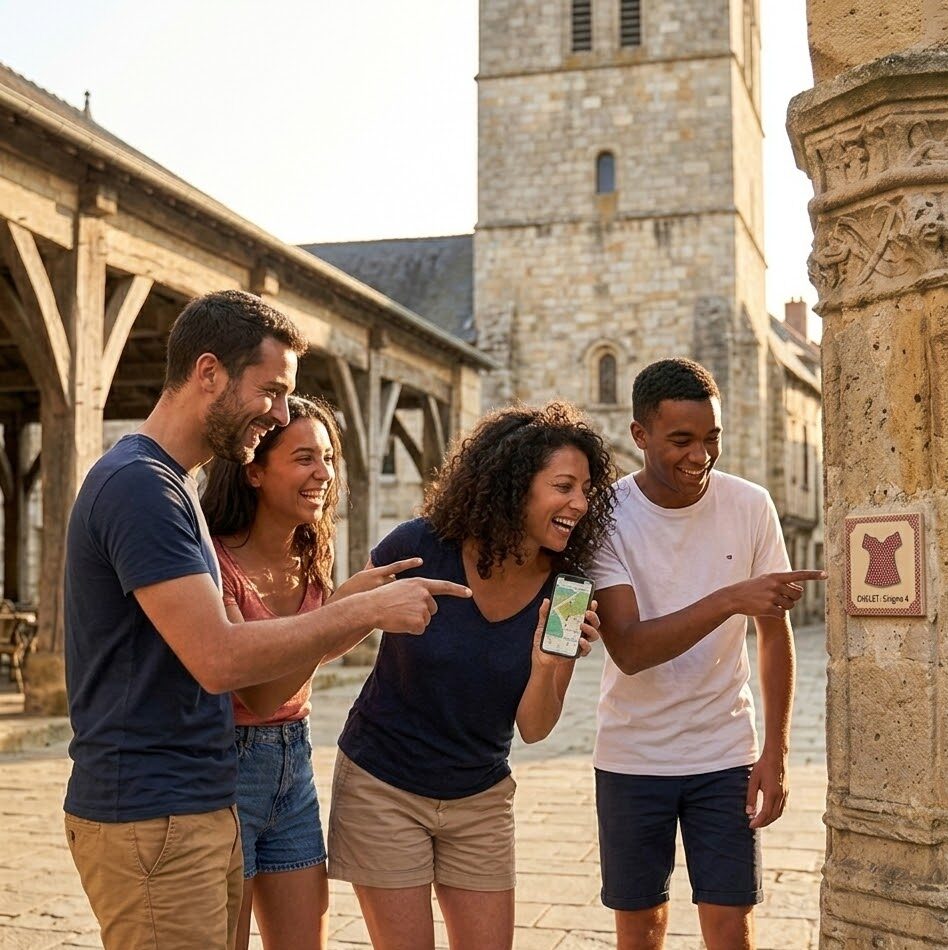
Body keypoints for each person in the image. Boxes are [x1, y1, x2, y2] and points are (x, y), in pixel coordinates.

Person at [63, 289, 470, 950]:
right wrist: (361, 612)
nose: (280, 413)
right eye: (273, 391)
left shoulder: (168, 484)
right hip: (152, 813)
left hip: (192, 807)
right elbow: (221, 659)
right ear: (209, 373)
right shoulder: (141, 485)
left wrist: (346, 608)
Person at [327, 401, 617, 950]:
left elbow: (534, 728)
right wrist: (372, 607)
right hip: (383, 787)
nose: (579, 503)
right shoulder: (419, 546)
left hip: (480, 799)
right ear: (514, 485)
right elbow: (328, 633)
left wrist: (549, 664)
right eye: (563, 486)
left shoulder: (568, 591)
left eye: (586, 490)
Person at [589, 358, 826, 950]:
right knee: (640, 931)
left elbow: (775, 637)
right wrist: (729, 598)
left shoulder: (750, 506)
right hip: (631, 756)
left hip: (725, 755)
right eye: (682, 440)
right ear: (640, 435)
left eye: (711, 438)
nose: (700, 455)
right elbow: (631, 648)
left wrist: (775, 752)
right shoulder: (607, 516)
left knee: (731, 929)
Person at [203, 394, 403, 950]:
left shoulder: (310, 552)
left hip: (296, 762)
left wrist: (348, 609)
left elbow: (297, 661)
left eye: (329, 458)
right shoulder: (215, 563)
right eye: (304, 458)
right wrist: (352, 613)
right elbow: (262, 692)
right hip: (227, 769)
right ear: (254, 471)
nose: (324, 473)